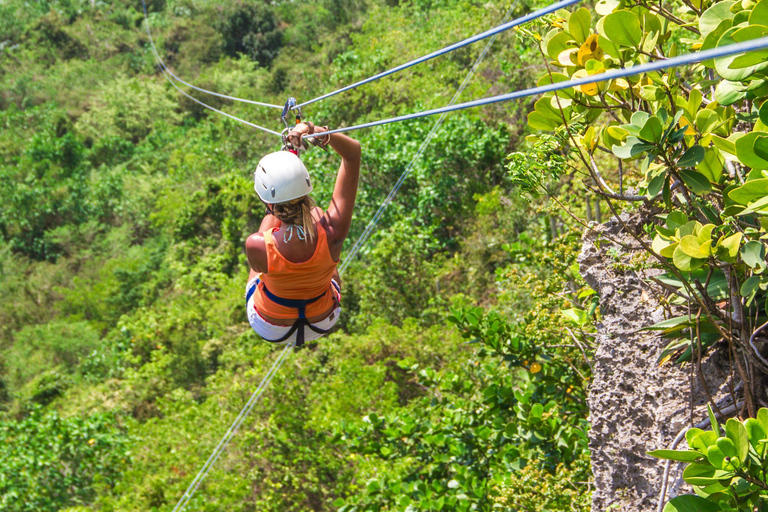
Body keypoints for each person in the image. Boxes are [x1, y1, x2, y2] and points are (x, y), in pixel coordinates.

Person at [244, 122, 361, 346]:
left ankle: (281, 203)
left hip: (271, 325)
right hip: (323, 318)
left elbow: (270, 235)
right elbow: (352, 153)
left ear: (265, 200)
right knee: (317, 218)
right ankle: (321, 262)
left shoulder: (256, 244)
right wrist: (316, 130)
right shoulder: (332, 229)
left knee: (262, 264)